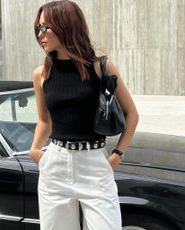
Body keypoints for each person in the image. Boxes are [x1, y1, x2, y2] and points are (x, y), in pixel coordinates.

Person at [30, 1, 139, 229]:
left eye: (45, 27)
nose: (40, 34)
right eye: (38, 28)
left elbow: (132, 114)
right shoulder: (41, 74)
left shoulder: (101, 67)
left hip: (95, 165)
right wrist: (36, 151)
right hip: (55, 165)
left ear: (66, 25)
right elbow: (44, 121)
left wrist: (118, 154)